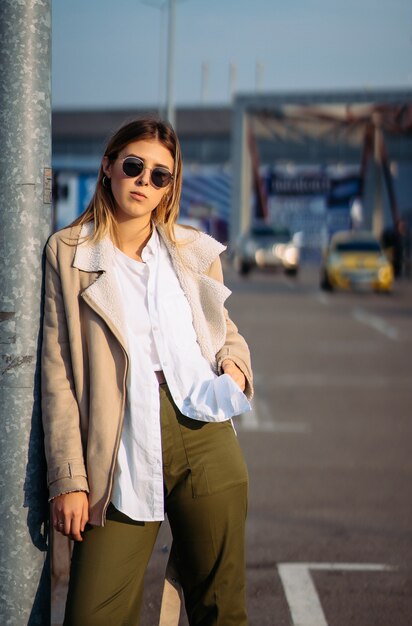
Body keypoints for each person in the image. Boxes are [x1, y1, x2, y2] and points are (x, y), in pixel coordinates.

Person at [41, 117, 254, 626]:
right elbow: (57, 374)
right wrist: (68, 478)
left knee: (220, 609)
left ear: (170, 187)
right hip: (118, 444)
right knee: (93, 614)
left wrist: (237, 368)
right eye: (134, 166)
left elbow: (224, 330)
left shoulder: (192, 250)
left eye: (160, 175)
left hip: (202, 431)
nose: (144, 181)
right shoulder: (68, 252)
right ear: (109, 166)